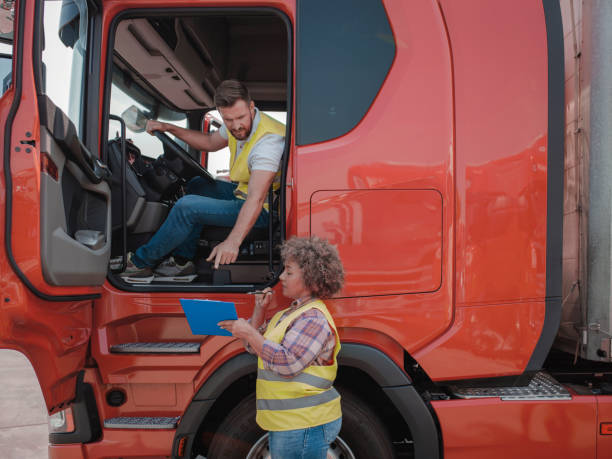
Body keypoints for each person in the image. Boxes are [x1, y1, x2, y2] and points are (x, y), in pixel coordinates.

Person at [122, 79, 285, 279]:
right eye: (228, 120)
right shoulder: (237, 123)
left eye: (240, 117)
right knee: (197, 185)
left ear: (252, 107)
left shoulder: (268, 142)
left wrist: (233, 241)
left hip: (264, 210)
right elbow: (209, 142)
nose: (236, 126)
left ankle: (139, 263)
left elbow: (256, 199)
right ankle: (182, 261)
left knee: (186, 207)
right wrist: (169, 128)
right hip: (242, 194)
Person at [219, 236, 345, 459]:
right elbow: (254, 346)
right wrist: (259, 312)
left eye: (288, 271)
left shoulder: (313, 319)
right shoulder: (287, 314)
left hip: (305, 423)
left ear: (311, 279)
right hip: (293, 423)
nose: (281, 277)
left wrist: (247, 331)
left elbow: (287, 364)